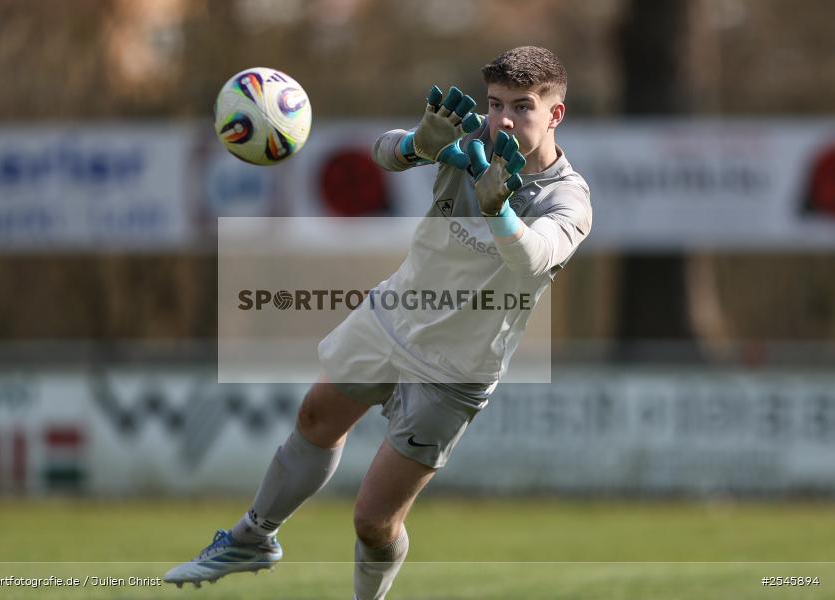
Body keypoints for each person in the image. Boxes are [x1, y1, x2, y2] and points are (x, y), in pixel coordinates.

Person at [164, 46, 592, 599]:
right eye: (494, 104)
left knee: (373, 521)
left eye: (522, 107)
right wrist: (418, 144)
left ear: (555, 113)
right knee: (316, 418)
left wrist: (500, 211)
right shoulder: (470, 144)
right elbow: (382, 153)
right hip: (394, 315)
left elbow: (533, 258)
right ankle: (254, 537)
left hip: (453, 370)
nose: (503, 119)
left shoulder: (568, 198)